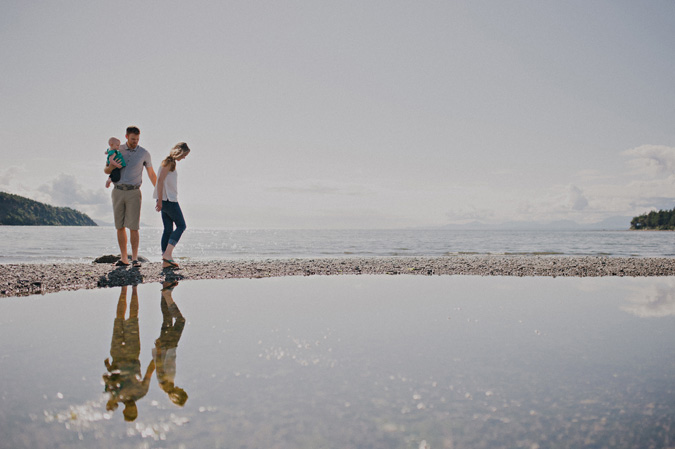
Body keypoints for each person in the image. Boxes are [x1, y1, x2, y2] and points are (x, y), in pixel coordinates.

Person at [104, 126, 157, 267]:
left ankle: (134, 259)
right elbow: (106, 170)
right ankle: (124, 259)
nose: (135, 142)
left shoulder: (144, 153)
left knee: (134, 227)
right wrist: (112, 166)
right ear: (126, 137)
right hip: (118, 190)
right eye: (133, 139)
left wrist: (159, 192)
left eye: (137, 139)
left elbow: (151, 174)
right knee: (119, 226)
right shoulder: (116, 149)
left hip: (134, 192)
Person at [103, 285, 155, 422]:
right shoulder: (141, 392)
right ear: (136, 409)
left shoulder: (117, 397)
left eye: (129, 411)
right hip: (132, 354)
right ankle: (134, 288)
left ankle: (124, 289)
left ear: (125, 410)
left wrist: (108, 368)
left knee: (119, 318)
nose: (132, 409)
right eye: (134, 411)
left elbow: (109, 379)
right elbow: (149, 373)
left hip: (117, 355)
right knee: (133, 317)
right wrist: (157, 356)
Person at [153, 142, 190, 269]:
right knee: (181, 226)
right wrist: (159, 200)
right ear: (179, 151)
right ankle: (167, 254)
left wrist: (160, 199)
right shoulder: (168, 162)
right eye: (184, 155)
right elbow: (160, 180)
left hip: (165, 199)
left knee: (168, 229)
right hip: (168, 200)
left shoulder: (170, 163)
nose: (184, 157)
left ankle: (165, 261)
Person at [153, 281, 188, 407]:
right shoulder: (167, 385)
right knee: (167, 319)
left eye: (182, 391)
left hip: (168, 346)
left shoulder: (166, 384)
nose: (182, 389)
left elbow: (160, 366)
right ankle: (165, 293)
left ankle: (167, 295)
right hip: (168, 347)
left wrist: (158, 350)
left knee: (180, 321)